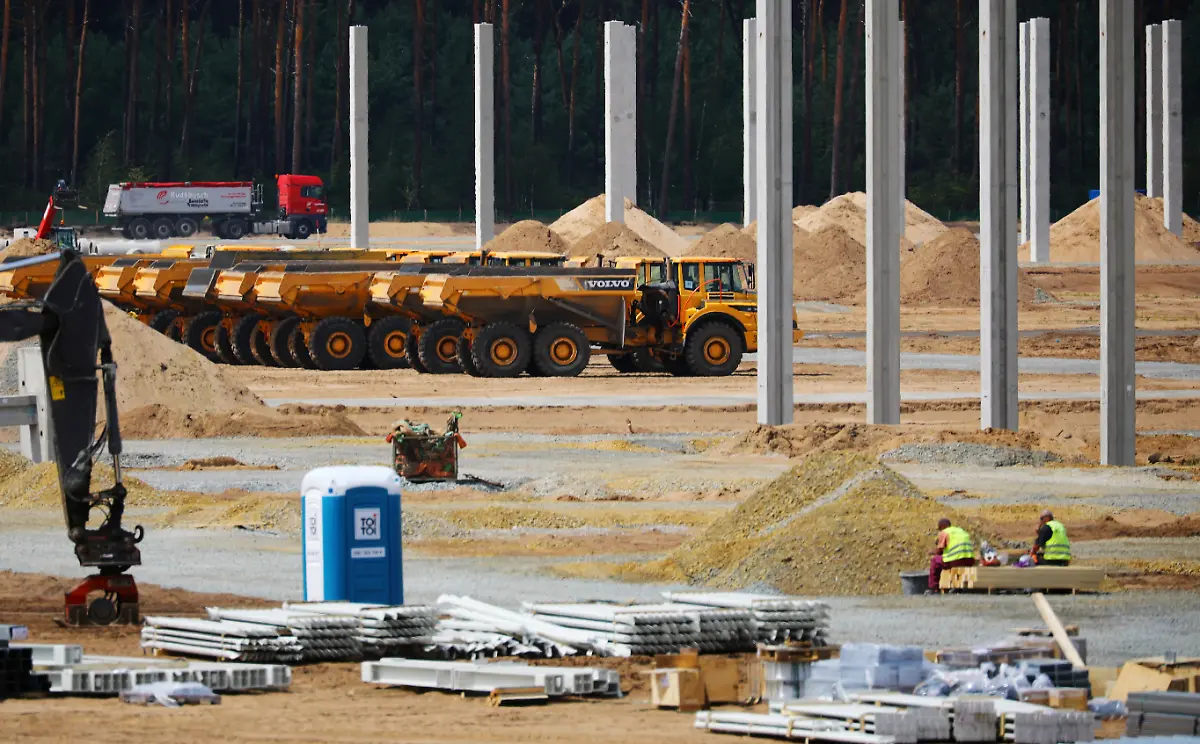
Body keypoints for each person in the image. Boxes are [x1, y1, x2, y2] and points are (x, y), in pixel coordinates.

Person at [928, 518, 976, 593]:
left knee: (935, 561)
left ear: (942, 526)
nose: (939, 531)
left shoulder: (944, 532)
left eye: (940, 528)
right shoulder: (961, 531)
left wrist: (932, 552)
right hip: (969, 561)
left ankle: (934, 588)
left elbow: (939, 551)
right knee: (951, 560)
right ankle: (957, 586)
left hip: (955, 560)